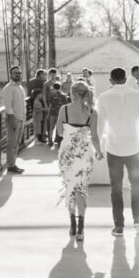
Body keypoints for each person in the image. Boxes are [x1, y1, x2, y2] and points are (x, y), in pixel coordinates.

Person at [92, 67, 139, 237]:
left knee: (116, 188)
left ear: (111, 80)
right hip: (133, 147)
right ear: (124, 78)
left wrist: (97, 148)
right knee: (136, 185)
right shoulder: (137, 95)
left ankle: (119, 226)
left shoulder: (104, 97)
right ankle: (138, 221)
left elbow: (99, 125)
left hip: (114, 147)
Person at [56, 79, 97, 241]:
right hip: (85, 154)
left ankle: (72, 224)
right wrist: (99, 152)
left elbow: (59, 132)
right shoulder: (92, 112)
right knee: (82, 190)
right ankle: (81, 229)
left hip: (67, 155)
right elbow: (94, 137)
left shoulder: (64, 109)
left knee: (70, 188)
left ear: (72, 94)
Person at [2, 64, 26, 174]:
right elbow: (8, 105)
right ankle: (11, 166)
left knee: (17, 143)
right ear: (10, 75)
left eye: (19, 73)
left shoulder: (19, 87)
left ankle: (13, 163)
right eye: (15, 73)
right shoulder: (9, 88)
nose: (18, 74)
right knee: (12, 144)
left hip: (21, 118)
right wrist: (11, 120)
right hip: (14, 119)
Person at [46, 80, 69, 147]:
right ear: (60, 88)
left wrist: (48, 114)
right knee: (59, 127)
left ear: (53, 88)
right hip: (60, 114)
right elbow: (66, 105)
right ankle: (58, 141)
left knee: (51, 128)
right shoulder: (63, 96)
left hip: (52, 113)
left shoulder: (52, 96)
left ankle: (50, 141)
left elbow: (50, 105)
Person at [27, 68, 47, 142]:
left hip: (31, 100)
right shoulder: (41, 81)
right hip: (39, 101)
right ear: (40, 75)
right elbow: (44, 92)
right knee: (40, 119)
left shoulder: (31, 81)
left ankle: (34, 133)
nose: (44, 76)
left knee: (35, 118)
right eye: (43, 74)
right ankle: (40, 135)